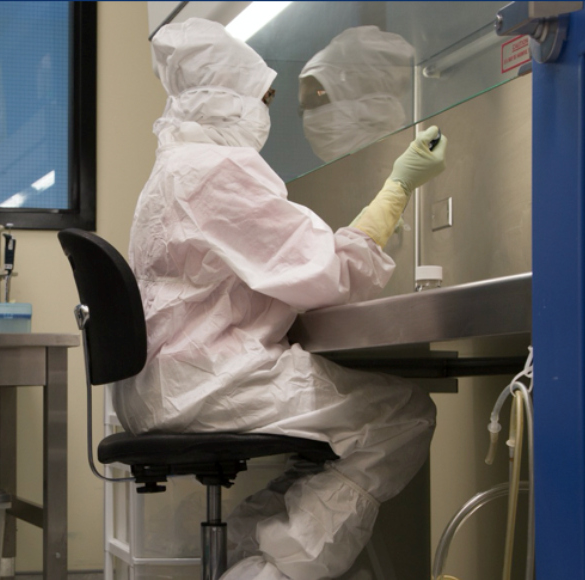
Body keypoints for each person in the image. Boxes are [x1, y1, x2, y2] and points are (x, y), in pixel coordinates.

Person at [115, 18, 446, 580]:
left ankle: (249, 563)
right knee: (403, 416)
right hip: (209, 382)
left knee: (322, 447)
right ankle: (270, 574)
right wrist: (397, 190)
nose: (268, 112)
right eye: (262, 97)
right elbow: (330, 274)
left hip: (167, 385)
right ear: (228, 100)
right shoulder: (217, 171)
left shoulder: (172, 168)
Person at [299, 25, 416, 163]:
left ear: (375, 102)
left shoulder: (421, 167)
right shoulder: (330, 181)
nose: (309, 117)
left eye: (318, 97)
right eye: (303, 107)